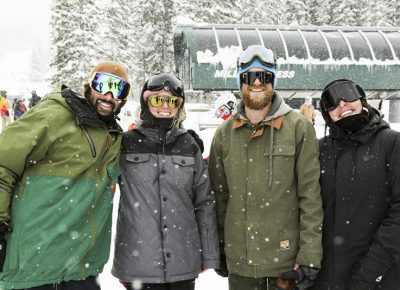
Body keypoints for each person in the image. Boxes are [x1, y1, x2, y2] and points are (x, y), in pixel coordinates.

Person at [0, 61, 131, 290]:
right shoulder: (55, 116)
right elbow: (4, 162)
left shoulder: (113, 138)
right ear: (89, 86)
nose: (109, 95)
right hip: (33, 270)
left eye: (118, 89)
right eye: (103, 84)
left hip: (81, 272)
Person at [208, 44, 323, 290]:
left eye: (265, 77)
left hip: (285, 264)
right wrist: (219, 247)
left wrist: (310, 254)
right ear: (240, 82)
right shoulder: (224, 135)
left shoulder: (299, 128)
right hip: (241, 264)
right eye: (250, 77)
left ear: (273, 81)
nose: (257, 83)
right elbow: (219, 198)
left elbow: (310, 196)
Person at [112, 72, 219, 290]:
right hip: (138, 264)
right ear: (145, 101)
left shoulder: (188, 145)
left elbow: (204, 201)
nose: (165, 106)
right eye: (158, 99)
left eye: (172, 101)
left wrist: (208, 255)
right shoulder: (126, 143)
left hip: (183, 260)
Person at [311, 79, 400, 290]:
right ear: (326, 114)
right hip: (324, 278)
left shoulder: (392, 144)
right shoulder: (318, 151)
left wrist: (371, 271)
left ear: (362, 99)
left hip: (378, 277)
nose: (342, 104)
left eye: (348, 94)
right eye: (331, 102)